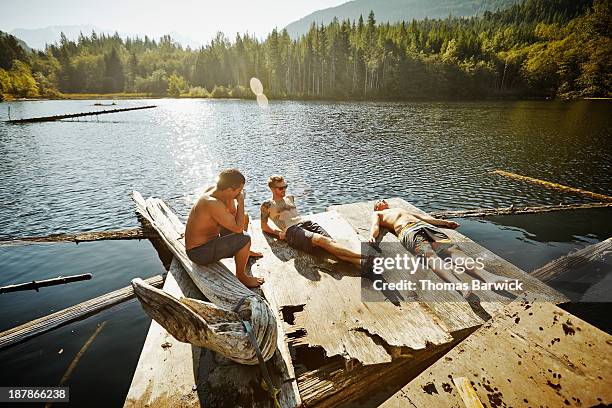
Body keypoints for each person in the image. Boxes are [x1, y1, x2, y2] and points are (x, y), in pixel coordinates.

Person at [369, 199, 507, 297]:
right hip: (408, 231)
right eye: (378, 202)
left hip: (426, 227)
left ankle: (489, 278)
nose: (381, 201)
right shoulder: (378, 214)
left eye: (383, 200)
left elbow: (424, 217)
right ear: (377, 208)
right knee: (430, 256)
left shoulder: (400, 209)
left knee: (452, 250)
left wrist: (445, 223)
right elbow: (375, 226)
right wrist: (372, 236)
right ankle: (459, 286)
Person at [260, 175, 368, 270]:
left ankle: (361, 264)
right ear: (272, 189)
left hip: (306, 223)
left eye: (285, 186)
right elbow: (264, 226)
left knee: (331, 243)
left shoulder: (290, 198)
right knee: (323, 241)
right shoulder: (267, 205)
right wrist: (278, 233)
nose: (284, 189)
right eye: (281, 188)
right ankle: (363, 257)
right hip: (292, 230)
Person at [185, 168, 264, 288]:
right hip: (198, 252)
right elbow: (238, 228)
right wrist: (241, 202)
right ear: (229, 190)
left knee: (245, 217)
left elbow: (233, 213)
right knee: (245, 238)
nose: (240, 194)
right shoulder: (212, 203)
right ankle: (241, 276)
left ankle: (244, 252)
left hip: (210, 241)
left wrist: (232, 199)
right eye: (239, 191)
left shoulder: (217, 192)